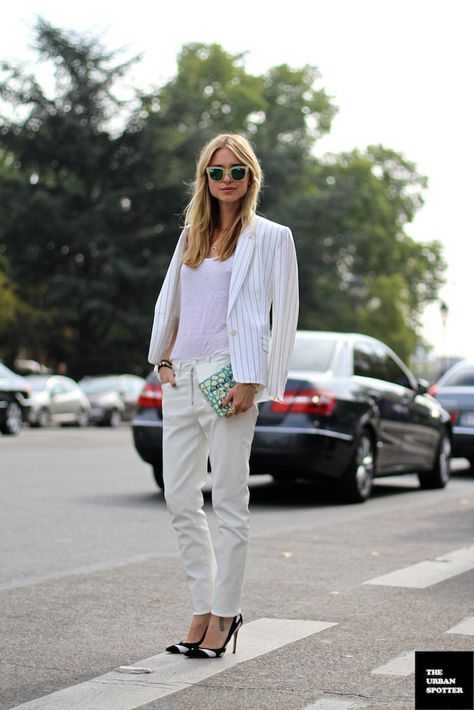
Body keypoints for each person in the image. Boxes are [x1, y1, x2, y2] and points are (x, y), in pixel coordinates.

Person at [147, 133, 299, 659]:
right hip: (183, 376)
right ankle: (200, 605)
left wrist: (255, 381)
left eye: (237, 171)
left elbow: (285, 320)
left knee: (230, 501)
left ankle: (224, 613)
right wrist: (162, 360)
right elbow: (173, 300)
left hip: (230, 378)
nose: (227, 180)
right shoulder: (191, 234)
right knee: (178, 497)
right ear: (205, 178)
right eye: (217, 172)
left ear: (251, 177)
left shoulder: (273, 238)